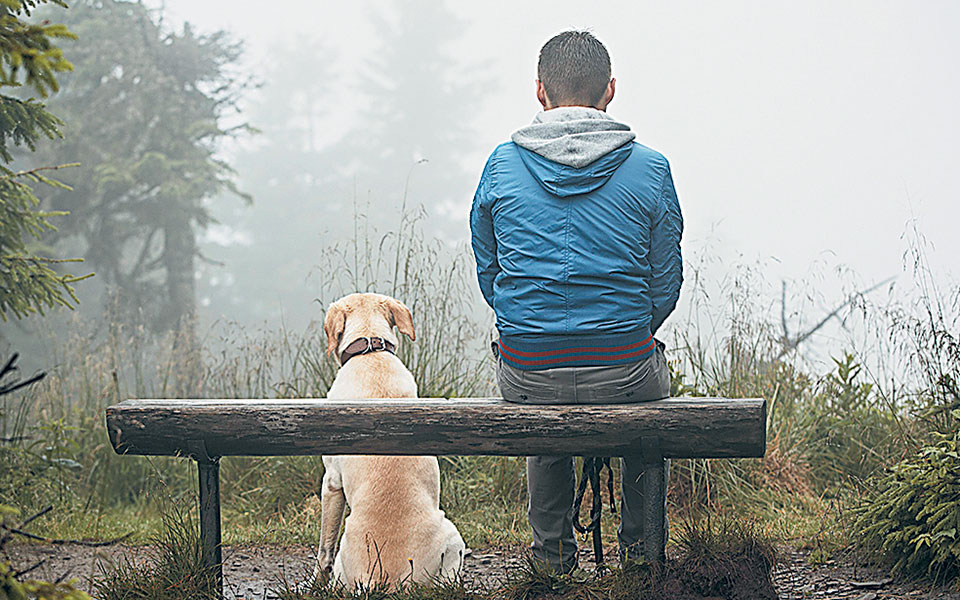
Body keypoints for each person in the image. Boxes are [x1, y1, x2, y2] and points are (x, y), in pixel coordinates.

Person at [469, 30, 683, 572]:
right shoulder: (651, 169)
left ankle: (551, 559)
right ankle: (640, 559)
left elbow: (489, 268)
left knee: (541, 401)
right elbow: (666, 282)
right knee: (645, 405)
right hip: (625, 367)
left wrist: (529, 323)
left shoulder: (500, 165)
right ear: (610, 91)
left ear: (539, 93)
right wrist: (625, 330)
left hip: (528, 369)